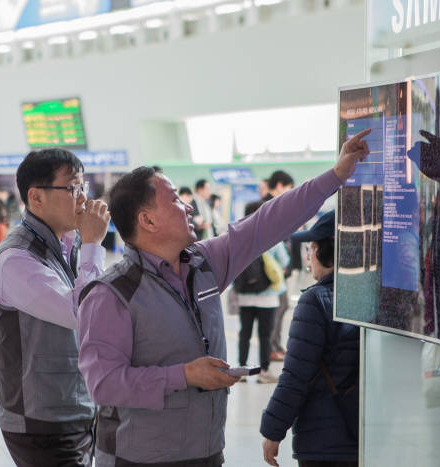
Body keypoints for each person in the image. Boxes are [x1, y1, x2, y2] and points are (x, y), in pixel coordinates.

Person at [76, 128, 371, 467]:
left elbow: (267, 222)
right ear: (147, 220)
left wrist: (335, 176)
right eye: (174, 199)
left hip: (206, 452)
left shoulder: (203, 263)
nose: (187, 206)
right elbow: (103, 384)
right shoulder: (112, 293)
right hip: (141, 458)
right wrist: (184, 375)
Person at [0, 148, 110, 467]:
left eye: (84, 187)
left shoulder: (70, 244)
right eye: (72, 188)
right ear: (36, 197)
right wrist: (94, 245)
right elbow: (82, 313)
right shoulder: (16, 259)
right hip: (41, 421)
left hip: (78, 408)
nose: (82, 198)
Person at [261, 210, 360, 467]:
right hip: (365, 431)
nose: (309, 255)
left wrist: (273, 429)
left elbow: (296, 374)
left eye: (313, 247)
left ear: (328, 251)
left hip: (324, 440)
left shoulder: (314, 301)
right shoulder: (372, 295)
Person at [234, 200, 290, 384]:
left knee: (245, 333)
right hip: (268, 297)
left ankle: (241, 370)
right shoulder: (272, 236)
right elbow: (284, 261)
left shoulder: (240, 236)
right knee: (265, 335)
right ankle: (264, 372)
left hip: (245, 296)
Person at [264, 170, 295, 362]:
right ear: (280, 186)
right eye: (288, 188)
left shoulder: (274, 204)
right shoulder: (269, 205)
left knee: (281, 306)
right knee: (277, 307)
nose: (289, 192)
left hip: (277, 266)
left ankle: (275, 345)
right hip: (273, 267)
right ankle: (271, 347)